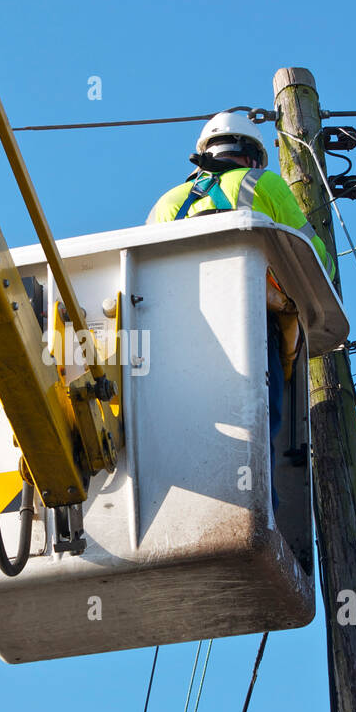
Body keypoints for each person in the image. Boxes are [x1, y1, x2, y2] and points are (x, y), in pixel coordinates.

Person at [147, 110, 336, 513]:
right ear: (252, 155)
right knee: (256, 422)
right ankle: (256, 512)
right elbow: (318, 260)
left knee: (192, 421)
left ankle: (192, 507)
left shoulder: (167, 203)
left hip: (178, 339)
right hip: (249, 326)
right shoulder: (262, 183)